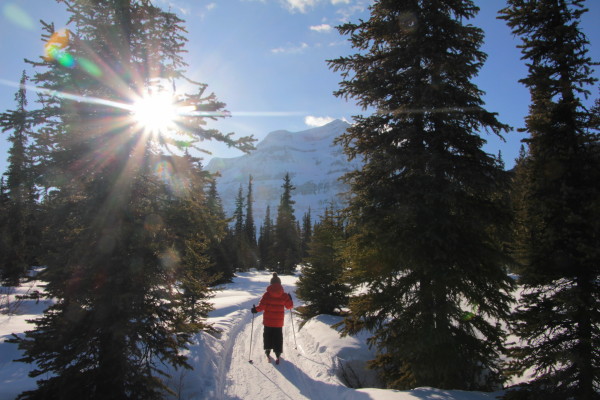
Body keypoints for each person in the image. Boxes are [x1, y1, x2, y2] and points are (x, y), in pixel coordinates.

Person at [251, 273, 293, 364]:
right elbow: (289, 306)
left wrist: (255, 310)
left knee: (267, 335)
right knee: (278, 337)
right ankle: (278, 352)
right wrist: (290, 299)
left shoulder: (267, 295)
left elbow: (261, 306)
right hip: (278, 322)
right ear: (279, 283)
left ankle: (267, 350)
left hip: (268, 322)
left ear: (271, 283)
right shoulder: (284, 295)